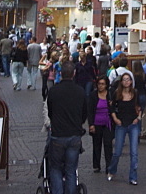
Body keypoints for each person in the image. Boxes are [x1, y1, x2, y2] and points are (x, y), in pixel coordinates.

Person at [46, 60, 88, 194]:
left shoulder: (53, 91)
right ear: (74, 74)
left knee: (56, 168)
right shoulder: (80, 91)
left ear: (60, 73)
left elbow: (50, 112)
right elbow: (84, 114)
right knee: (71, 170)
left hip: (58, 135)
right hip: (74, 135)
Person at [107, 72, 141, 185]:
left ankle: (133, 176)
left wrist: (138, 118)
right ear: (121, 82)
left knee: (134, 152)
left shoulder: (135, 93)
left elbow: (139, 107)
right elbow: (111, 108)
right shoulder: (117, 93)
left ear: (131, 82)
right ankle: (112, 170)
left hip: (133, 124)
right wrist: (115, 119)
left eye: (128, 79)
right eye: (124, 79)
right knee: (117, 152)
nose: (126, 81)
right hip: (121, 124)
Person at [87, 75, 114, 175]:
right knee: (96, 145)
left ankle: (109, 166)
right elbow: (90, 110)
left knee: (108, 144)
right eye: (99, 84)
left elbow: (114, 108)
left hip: (108, 124)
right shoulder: (93, 95)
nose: (100, 86)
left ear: (106, 85)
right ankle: (96, 165)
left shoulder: (110, 94)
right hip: (96, 123)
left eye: (103, 84)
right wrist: (91, 124)